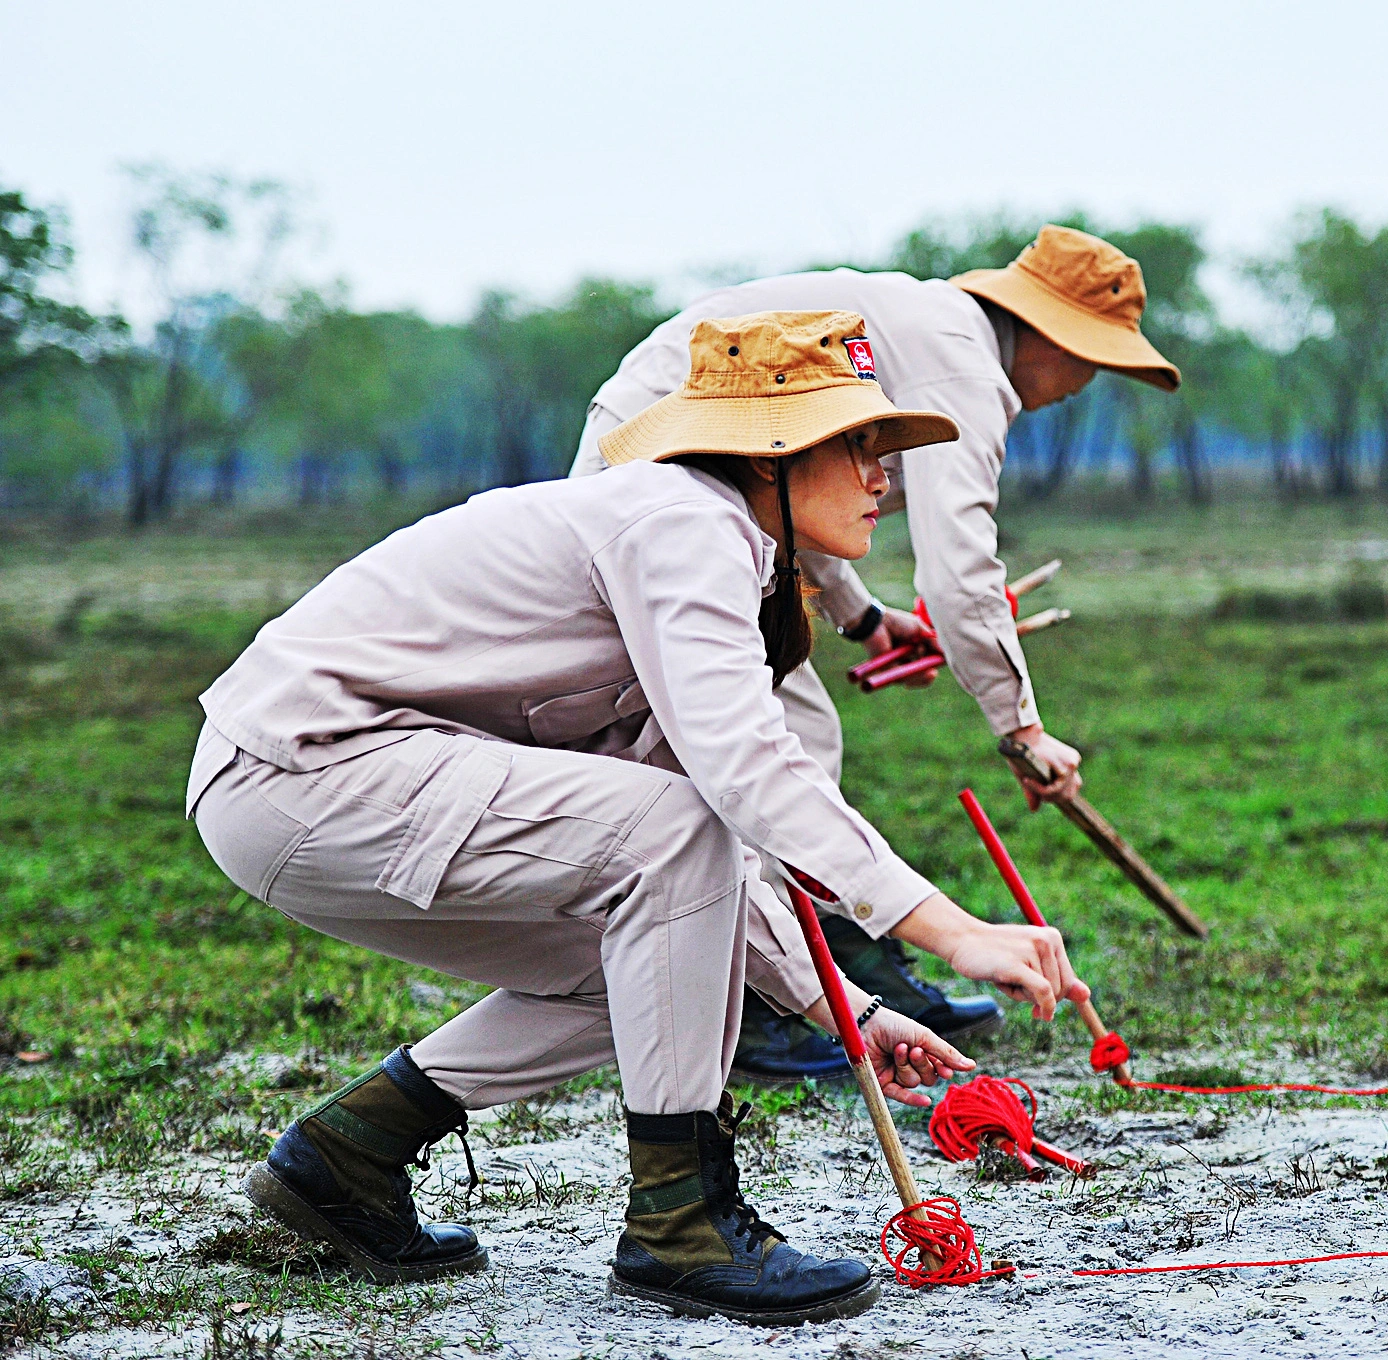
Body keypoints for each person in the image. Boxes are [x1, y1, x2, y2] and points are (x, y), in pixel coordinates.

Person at [188, 311, 1090, 1326]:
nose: (884, 475)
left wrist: (852, 1010)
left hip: (324, 795)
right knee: (674, 836)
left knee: (663, 964)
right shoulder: (682, 524)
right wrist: (950, 930)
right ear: (774, 453)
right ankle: (681, 1223)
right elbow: (745, 779)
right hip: (303, 773)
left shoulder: (722, 553)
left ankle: (347, 1153)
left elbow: (715, 863)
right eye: (859, 444)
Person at [570, 227, 1179, 1082]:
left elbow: (792, 482)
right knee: (779, 743)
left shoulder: (933, 333)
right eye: (1091, 362)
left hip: (683, 456)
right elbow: (961, 574)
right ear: (1053, 336)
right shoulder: (963, 367)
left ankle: (841, 974)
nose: (1082, 386)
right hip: (660, 447)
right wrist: (1023, 730)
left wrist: (862, 619)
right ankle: (766, 1005)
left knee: (796, 734)